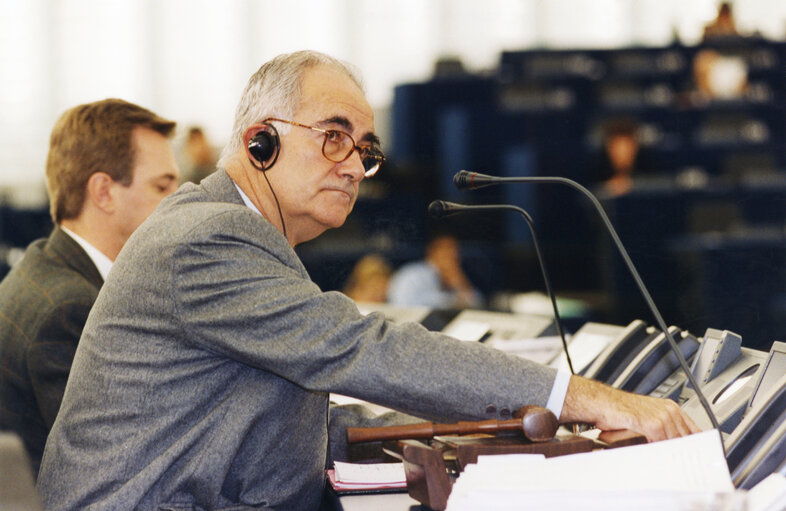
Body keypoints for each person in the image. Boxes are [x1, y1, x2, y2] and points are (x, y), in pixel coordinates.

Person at [37, 51, 699, 511]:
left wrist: (480, 423)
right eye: (334, 137)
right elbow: (366, 349)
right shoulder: (207, 238)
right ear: (259, 140)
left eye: (366, 148)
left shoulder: (245, 236)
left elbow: (280, 414)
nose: (355, 165)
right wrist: (585, 398)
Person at [0, 98, 180, 475]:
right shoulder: (69, 311)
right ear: (103, 192)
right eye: (163, 187)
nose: (180, 205)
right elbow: (123, 468)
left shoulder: (46, 265)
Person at [387, 232, 482, 309]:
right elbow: (405, 305)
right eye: (447, 250)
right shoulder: (414, 274)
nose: (453, 254)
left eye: (455, 250)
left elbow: (477, 303)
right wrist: (453, 301)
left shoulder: (453, 275)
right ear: (432, 252)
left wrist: (459, 282)